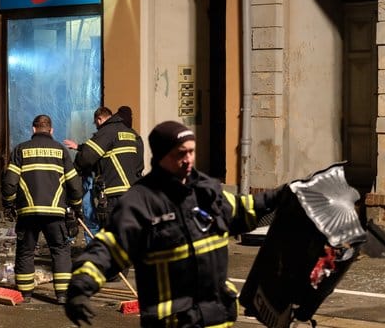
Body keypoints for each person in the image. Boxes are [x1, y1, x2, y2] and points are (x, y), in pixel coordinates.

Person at [64, 121, 286, 328]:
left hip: (218, 319)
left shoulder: (206, 190)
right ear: (162, 156)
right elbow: (107, 249)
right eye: (181, 153)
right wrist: (80, 287)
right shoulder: (140, 203)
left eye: (191, 151)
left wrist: (285, 194)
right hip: (173, 322)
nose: (188, 159)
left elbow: (245, 209)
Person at [2, 114, 84, 304]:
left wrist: (8, 203)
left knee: (25, 250)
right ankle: (62, 295)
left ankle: (26, 294)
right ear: (51, 130)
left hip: (28, 212)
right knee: (60, 250)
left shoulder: (20, 150)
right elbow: (74, 184)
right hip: (55, 213)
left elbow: (9, 183)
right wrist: (76, 206)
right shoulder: (61, 151)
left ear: (33, 129)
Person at [64, 106, 144, 235]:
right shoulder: (134, 134)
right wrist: (79, 146)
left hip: (114, 194)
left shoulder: (107, 131)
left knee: (112, 234)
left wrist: (72, 172)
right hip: (134, 192)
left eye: (96, 123)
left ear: (99, 119)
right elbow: (139, 165)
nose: (96, 127)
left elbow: (87, 156)